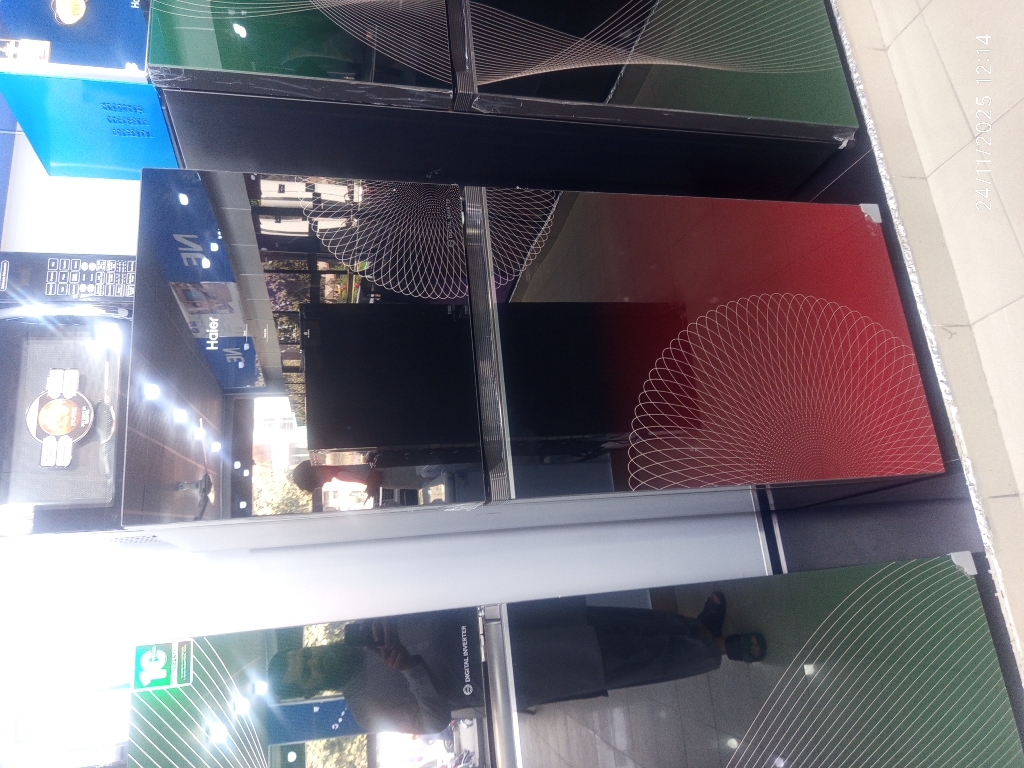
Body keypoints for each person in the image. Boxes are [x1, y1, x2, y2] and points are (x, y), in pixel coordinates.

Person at [268, 596, 766, 733]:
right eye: (307, 671)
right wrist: (409, 668)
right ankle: (720, 649)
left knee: (611, 620)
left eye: (303, 654)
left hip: (506, 618)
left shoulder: (357, 630)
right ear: (313, 690)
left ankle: (698, 628)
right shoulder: (365, 708)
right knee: (619, 658)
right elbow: (434, 722)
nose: (314, 659)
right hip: (520, 669)